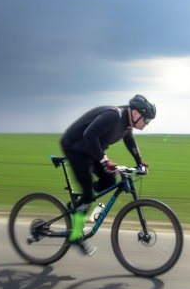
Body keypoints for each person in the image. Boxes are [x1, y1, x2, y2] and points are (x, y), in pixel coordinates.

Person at [59, 94, 156, 256]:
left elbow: (129, 140)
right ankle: (75, 235)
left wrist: (139, 161)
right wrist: (105, 161)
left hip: (90, 150)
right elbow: (89, 135)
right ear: (136, 113)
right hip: (75, 148)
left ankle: (80, 204)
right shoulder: (114, 115)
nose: (146, 124)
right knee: (88, 192)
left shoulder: (127, 124)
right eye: (146, 120)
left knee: (110, 181)